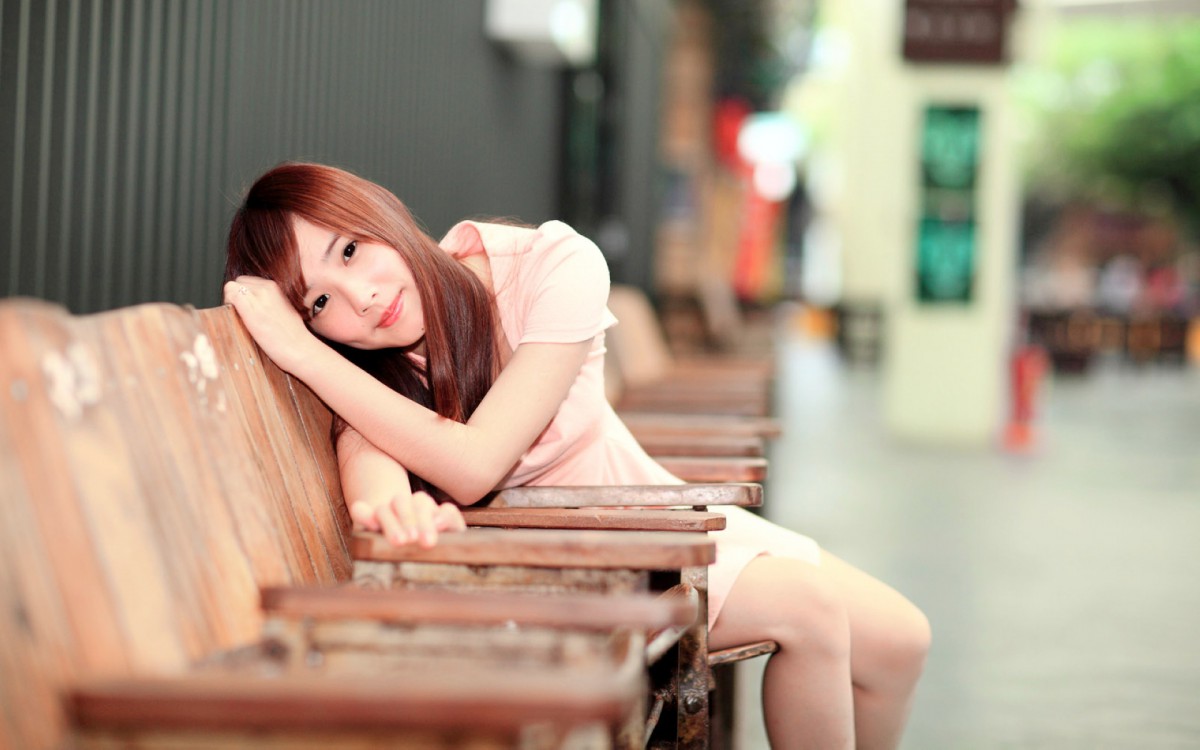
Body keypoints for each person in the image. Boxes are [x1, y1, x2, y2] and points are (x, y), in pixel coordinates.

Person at [224, 162, 930, 749]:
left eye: (350, 251)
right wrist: (389, 512)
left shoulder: (551, 266)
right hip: (547, 566)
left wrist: (299, 351)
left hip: (639, 513)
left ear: (381, 214)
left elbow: (475, 461)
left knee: (901, 640)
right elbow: (368, 457)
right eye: (318, 305)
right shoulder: (365, 372)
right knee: (809, 608)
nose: (361, 297)